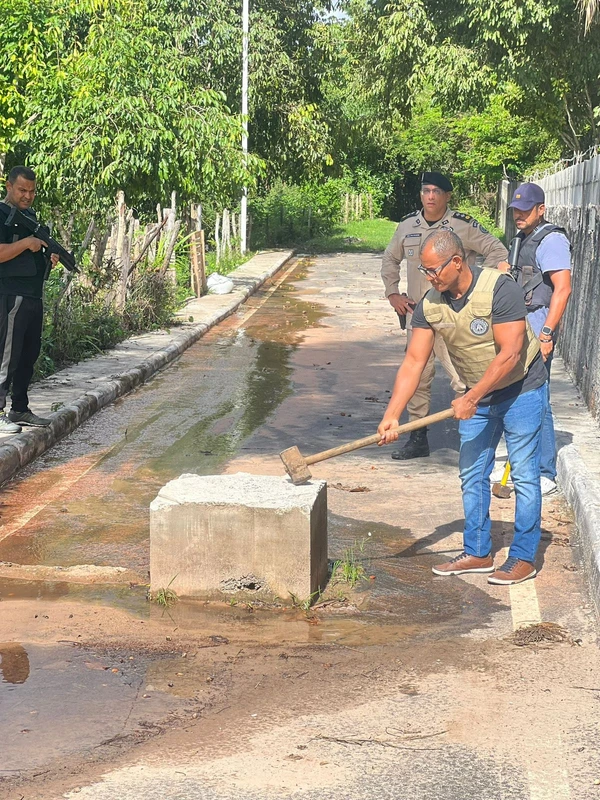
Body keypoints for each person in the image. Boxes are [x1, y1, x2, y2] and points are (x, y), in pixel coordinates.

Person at [378, 229, 549, 585]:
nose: (429, 277)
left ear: (457, 262)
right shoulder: (431, 303)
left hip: (521, 390)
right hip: (476, 395)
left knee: (524, 475)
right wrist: (392, 413)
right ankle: (477, 551)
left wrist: (472, 398)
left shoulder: (501, 289)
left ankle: (523, 557)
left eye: (433, 270)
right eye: (424, 271)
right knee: (472, 474)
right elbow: (413, 361)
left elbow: (510, 354)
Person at [381, 171, 508, 460]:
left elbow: (497, 251)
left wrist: (479, 288)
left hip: (455, 318)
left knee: (464, 376)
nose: (430, 196)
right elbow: (390, 259)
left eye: (436, 191)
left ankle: (478, 436)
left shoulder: (462, 226)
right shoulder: (407, 226)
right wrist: (393, 293)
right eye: (425, 191)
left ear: (447, 196)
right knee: (418, 376)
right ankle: (417, 437)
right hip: (420, 316)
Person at [498, 183, 571, 496]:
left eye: (526, 210)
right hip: (518, 332)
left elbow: (563, 289)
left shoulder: (551, 240)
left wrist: (547, 333)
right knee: (520, 398)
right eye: (516, 210)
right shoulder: (521, 237)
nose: (519, 215)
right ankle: (524, 468)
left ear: (541, 209)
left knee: (539, 399)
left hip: (538, 330)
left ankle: (545, 472)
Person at [0, 166, 58, 432]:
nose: (27, 196)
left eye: (32, 191)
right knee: (7, 356)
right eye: (22, 190)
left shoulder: (30, 218)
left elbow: (31, 258)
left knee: (28, 355)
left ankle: (19, 409)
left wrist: (48, 258)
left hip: (33, 296)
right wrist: (27, 243)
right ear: (9, 186)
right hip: (11, 295)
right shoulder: (1, 215)